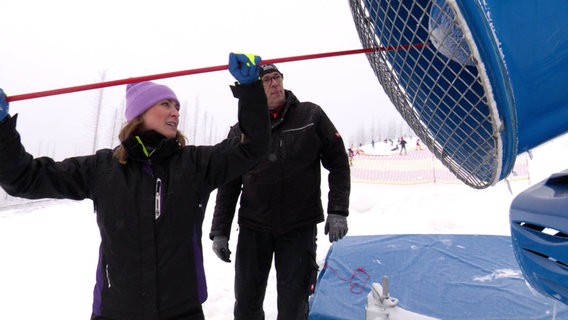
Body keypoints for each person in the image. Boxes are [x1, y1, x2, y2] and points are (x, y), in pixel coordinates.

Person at [0, 52, 270, 320]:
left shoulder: (195, 165)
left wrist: (250, 90)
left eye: (177, 107)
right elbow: (25, 178)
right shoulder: (102, 168)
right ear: (140, 114)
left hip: (181, 310)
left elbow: (252, 149)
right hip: (116, 311)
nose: (175, 112)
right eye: (166, 104)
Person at [210, 63, 351, 319]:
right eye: (267, 80)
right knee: (247, 302)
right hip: (254, 228)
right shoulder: (242, 130)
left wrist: (338, 209)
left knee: (294, 303)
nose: (274, 83)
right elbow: (229, 185)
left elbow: (339, 162)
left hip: (299, 228)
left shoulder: (311, 116)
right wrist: (220, 231)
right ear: (256, 89)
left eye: (277, 78)